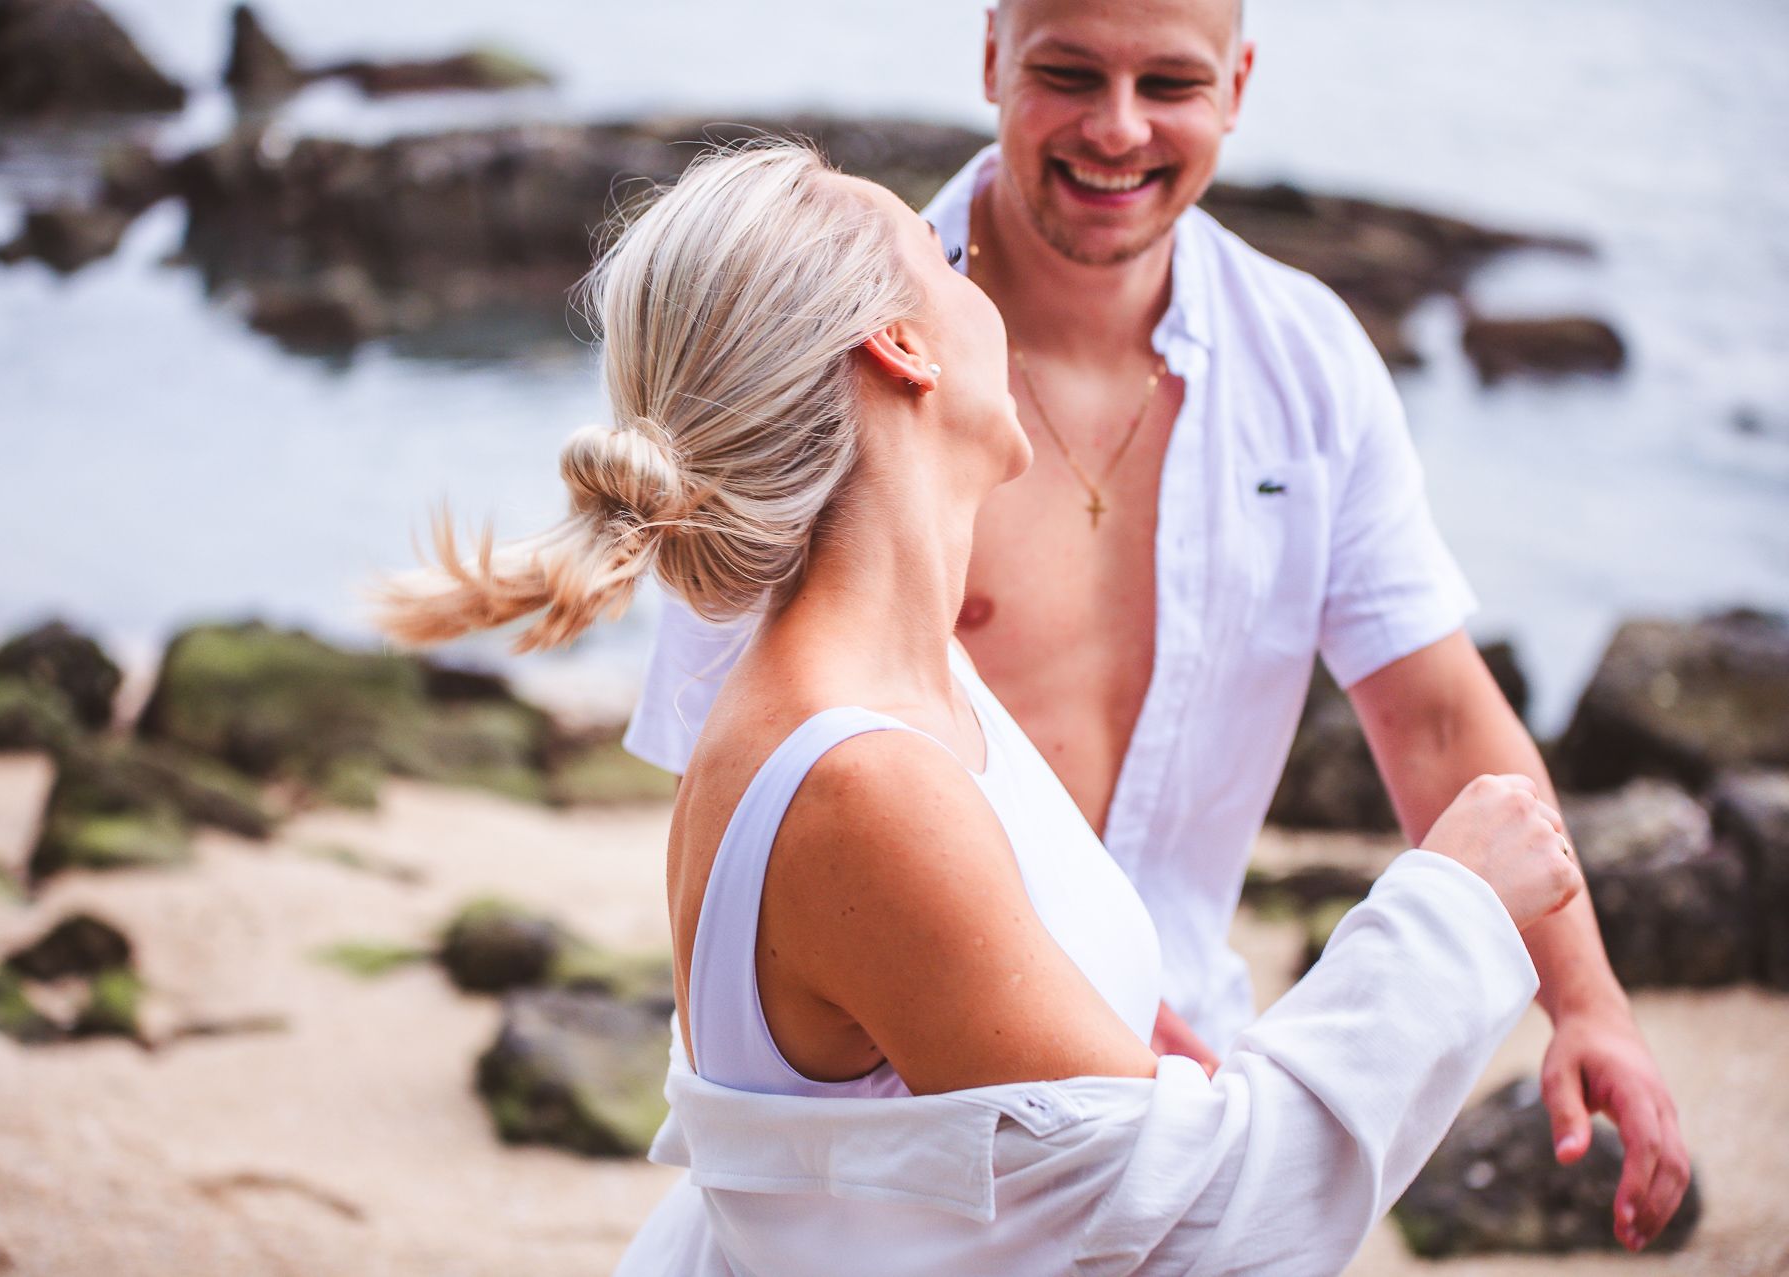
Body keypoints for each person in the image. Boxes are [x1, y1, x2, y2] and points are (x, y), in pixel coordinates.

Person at [380, 141, 1585, 1275]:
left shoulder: (912, 681)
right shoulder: (861, 780)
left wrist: (1102, 1016)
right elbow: (1199, 1234)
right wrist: (1452, 911)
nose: (987, 288)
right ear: (902, 348)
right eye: (948, 262)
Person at [621, 0, 1690, 1250]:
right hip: (954, 1138)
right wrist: (1453, 919)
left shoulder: (1300, 367)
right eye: (1070, 71)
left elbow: (1439, 710)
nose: (1117, 126)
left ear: (1236, 84)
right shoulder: (800, 393)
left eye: (1169, 83)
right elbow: (777, 886)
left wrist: (1588, 999)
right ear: (993, 60)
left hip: (1153, 1056)